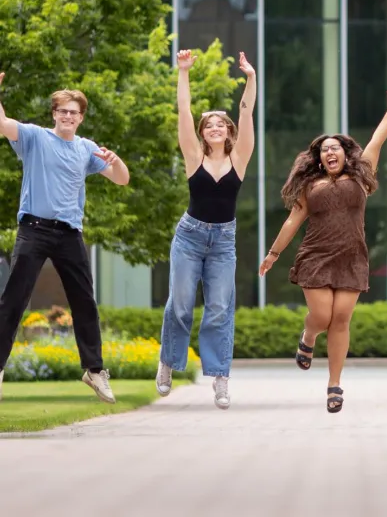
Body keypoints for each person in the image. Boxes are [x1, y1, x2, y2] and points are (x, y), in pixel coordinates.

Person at [259, 90, 387, 413]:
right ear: (319, 158)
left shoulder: (361, 176)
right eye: (324, 151)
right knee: (323, 317)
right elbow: (293, 221)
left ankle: (334, 385)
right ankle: (308, 336)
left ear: (345, 153)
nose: (329, 153)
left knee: (341, 320)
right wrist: (273, 254)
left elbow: (376, 142)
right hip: (316, 256)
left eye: (335, 148)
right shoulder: (311, 187)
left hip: (352, 258)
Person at [0, 74, 130, 404]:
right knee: (13, 300)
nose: (68, 116)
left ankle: (95, 371)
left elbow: (121, 180)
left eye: (74, 112)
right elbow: (2, 123)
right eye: (63, 111)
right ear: (54, 114)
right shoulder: (34, 137)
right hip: (34, 229)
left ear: (81, 117)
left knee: (84, 302)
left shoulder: (86, 148)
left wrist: (116, 162)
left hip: (70, 233)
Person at [155, 49, 256, 410]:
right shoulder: (193, 157)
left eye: (220, 124)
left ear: (228, 131)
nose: (214, 128)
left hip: (223, 241)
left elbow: (246, 112)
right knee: (181, 304)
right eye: (208, 124)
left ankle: (220, 378)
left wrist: (250, 77)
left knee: (218, 307)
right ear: (202, 132)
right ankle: (168, 363)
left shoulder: (240, 157)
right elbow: (183, 110)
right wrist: (183, 72)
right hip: (189, 237)